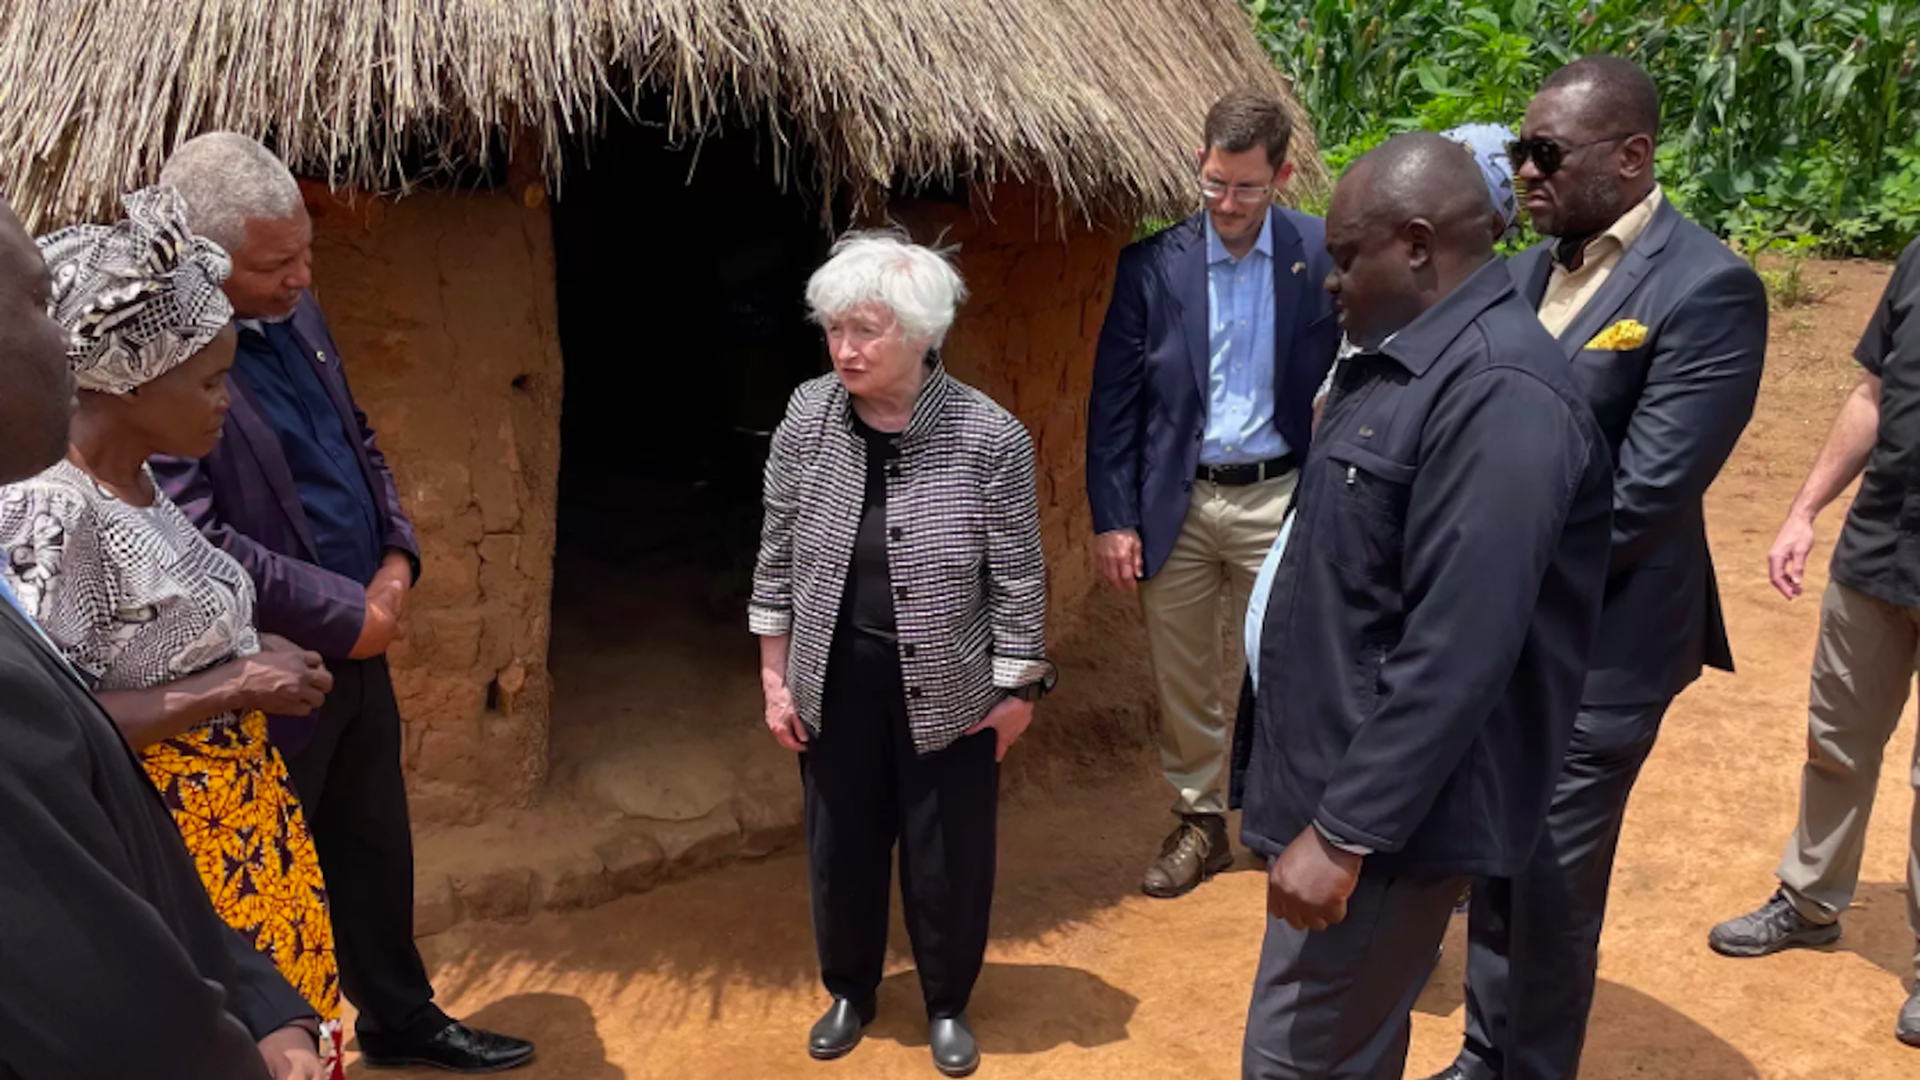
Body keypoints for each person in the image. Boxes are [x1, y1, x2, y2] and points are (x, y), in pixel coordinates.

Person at [149, 133, 535, 1072]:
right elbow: (193, 536)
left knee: (374, 851)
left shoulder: (298, 311)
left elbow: (358, 438)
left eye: (306, 254)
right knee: (273, 886)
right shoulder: (163, 363)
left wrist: (397, 558)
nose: (301, 277)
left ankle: (398, 1016)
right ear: (207, 260)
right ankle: (283, 1056)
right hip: (268, 674)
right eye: (278, 264)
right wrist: (343, 613)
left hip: (361, 642)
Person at [1234, 132, 1613, 1080]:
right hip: (1347, 795)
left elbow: (1458, 647)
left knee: (1300, 1060)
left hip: (1389, 827)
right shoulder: (1402, 364)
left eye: (1345, 256)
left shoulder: (1498, 392)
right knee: (1341, 1045)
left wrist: (1344, 830)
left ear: (1414, 244)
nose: (1329, 280)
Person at [1425, 56, 1767, 1080]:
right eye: (1520, 152)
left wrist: (1467, 564)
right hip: (1506, 637)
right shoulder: (1530, 270)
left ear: (1632, 156)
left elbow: (1642, 496)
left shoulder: (1709, 288)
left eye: (1547, 154)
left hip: (1603, 651)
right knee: (1496, 852)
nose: (1524, 172)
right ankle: (1488, 1050)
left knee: (1555, 879)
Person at [3, 185, 343, 1075]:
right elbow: (64, 732)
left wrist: (249, 653)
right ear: (129, 381)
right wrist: (237, 684)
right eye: (209, 378)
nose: (228, 400)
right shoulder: (55, 517)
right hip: (177, 852)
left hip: (246, 834)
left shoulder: (142, 489)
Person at [751, 231, 1055, 1078]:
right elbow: (775, 552)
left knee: (946, 856)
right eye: (835, 330)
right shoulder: (807, 416)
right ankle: (850, 988)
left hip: (950, 687)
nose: (846, 349)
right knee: (839, 846)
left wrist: (1020, 689)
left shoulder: (986, 436)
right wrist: (776, 677)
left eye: (867, 332)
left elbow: (1020, 575)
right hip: (832, 679)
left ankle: (948, 1001)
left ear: (922, 334)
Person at [1087, 87, 1339, 899]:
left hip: (1283, 495)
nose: (1228, 204)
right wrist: (1114, 517)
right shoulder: (1151, 267)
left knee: (1292, 659)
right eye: (1214, 184)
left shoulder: (1322, 256)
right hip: (1180, 502)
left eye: (1247, 188)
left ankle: (1293, 816)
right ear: (1199, 165)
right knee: (1184, 669)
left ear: (1283, 176)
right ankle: (1200, 820)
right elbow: (1113, 403)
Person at [1708, 235, 1920, 1045]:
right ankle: (1808, 901)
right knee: (1836, 739)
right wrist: (1805, 510)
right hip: (1878, 550)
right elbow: (1873, 391)